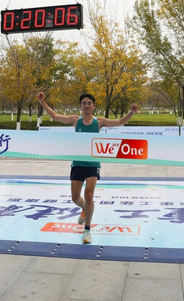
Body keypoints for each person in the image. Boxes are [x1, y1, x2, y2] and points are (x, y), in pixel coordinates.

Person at [38, 92, 139, 244]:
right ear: (80, 106)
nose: (86, 105)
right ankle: (85, 209)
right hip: (78, 163)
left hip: (92, 163)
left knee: (89, 195)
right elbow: (55, 116)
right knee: (75, 198)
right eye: (84, 103)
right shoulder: (75, 120)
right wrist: (42, 102)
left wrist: (131, 113)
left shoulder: (99, 122)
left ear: (93, 106)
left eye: (89, 103)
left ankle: (87, 230)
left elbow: (118, 122)